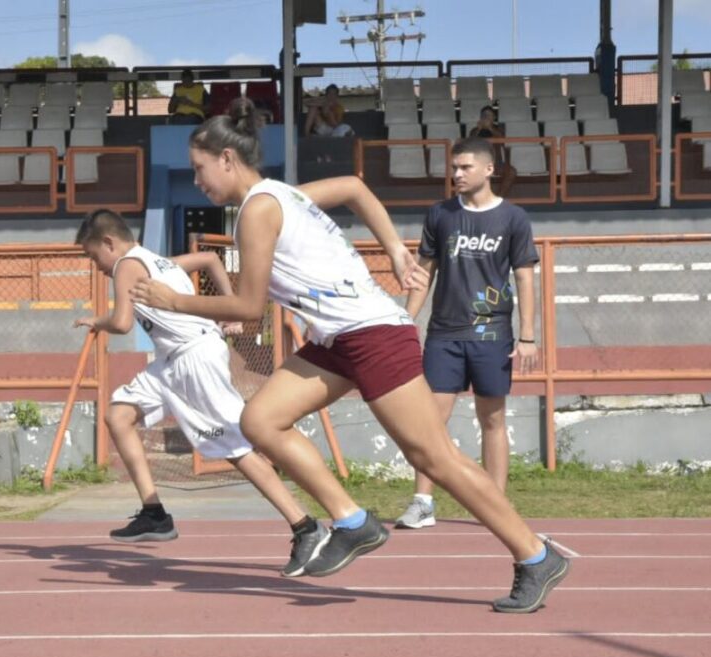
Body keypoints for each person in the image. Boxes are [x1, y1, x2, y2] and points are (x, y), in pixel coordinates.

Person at [130, 98, 570, 613]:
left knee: (435, 459)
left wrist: (175, 300)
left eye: (200, 169)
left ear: (227, 158)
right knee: (261, 420)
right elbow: (356, 189)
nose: (198, 180)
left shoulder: (259, 209)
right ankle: (352, 521)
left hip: (374, 334)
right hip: (338, 341)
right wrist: (396, 249)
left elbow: (248, 305)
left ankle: (535, 555)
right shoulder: (281, 196)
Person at [74, 209, 329, 577]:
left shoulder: (127, 264)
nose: (96, 266)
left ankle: (306, 527)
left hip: (194, 358)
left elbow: (122, 322)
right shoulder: (162, 262)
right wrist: (230, 309)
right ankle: (154, 514)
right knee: (119, 414)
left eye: (94, 256)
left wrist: (96, 320)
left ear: (109, 243)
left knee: (235, 449)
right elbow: (210, 259)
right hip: (171, 360)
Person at [396, 137, 539, 531]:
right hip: (443, 335)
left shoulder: (513, 218)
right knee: (429, 422)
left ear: (488, 170)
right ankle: (423, 502)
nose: (456, 174)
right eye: (454, 167)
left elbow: (525, 277)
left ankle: (495, 505)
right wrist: (407, 317)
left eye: (465, 167)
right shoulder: (440, 214)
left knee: (492, 419)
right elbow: (424, 273)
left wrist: (527, 336)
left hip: (492, 335)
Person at [468, 105, 516, 197]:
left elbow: (502, 139)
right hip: (479, 163)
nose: (487, 118)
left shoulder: (498, 129)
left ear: (494, 118)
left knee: (511, 171)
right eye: (484, 115)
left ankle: (499, 198)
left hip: (496, 164)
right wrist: (479, 128)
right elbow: (471, 141)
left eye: (489, 116)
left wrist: (490, 127)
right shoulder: (475, 130)